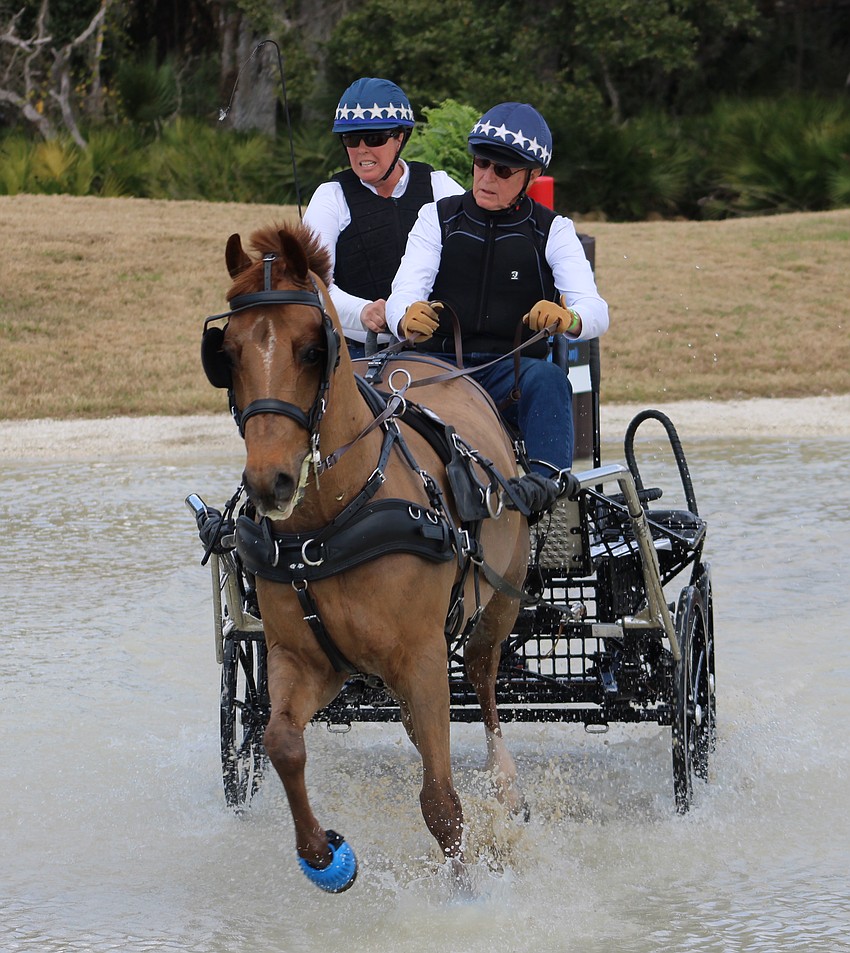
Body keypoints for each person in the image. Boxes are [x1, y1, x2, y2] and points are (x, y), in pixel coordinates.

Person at [386, 101, 609, 516]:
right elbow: (403, 291)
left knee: (550, 379)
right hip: (437, 369)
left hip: (515, 376)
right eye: (481, 163)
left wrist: (570, 318)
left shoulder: (554, 230)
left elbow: (597, 310)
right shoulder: (435, 218)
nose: (487, 177)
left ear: (531, 176)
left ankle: (546, 497)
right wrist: (402, 316)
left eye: (503, 170)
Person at [302, 77, 464, 358]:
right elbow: (312, 284)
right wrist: (362, 311)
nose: (362, 149)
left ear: (399, 138)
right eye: (352, 139)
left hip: (441, 351)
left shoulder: (440, 187)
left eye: (374, 138)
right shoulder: (330, 198)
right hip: (357, 355)